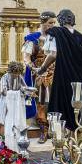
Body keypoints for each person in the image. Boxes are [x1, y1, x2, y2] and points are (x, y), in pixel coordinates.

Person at [37, 8, 82, 133]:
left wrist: (42, 68)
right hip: (80, 79)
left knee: (62, 107)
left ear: (60, 20)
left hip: (64, 75)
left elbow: (52, 54)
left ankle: (62, 137)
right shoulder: (80, 36)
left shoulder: (56, 32)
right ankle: (76, 136)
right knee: (76, 107)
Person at [23, 11, 56, 143]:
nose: (53, 25)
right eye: (50, 23)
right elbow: (26, 58)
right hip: (39, 75)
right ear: (42, 23)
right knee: (40, 103)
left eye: (54, 23)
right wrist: (34, 69)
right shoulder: (33, 39)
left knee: (54, 102)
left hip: (54, 75)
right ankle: (43, 130)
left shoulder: (55, 38)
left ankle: (55, 130)